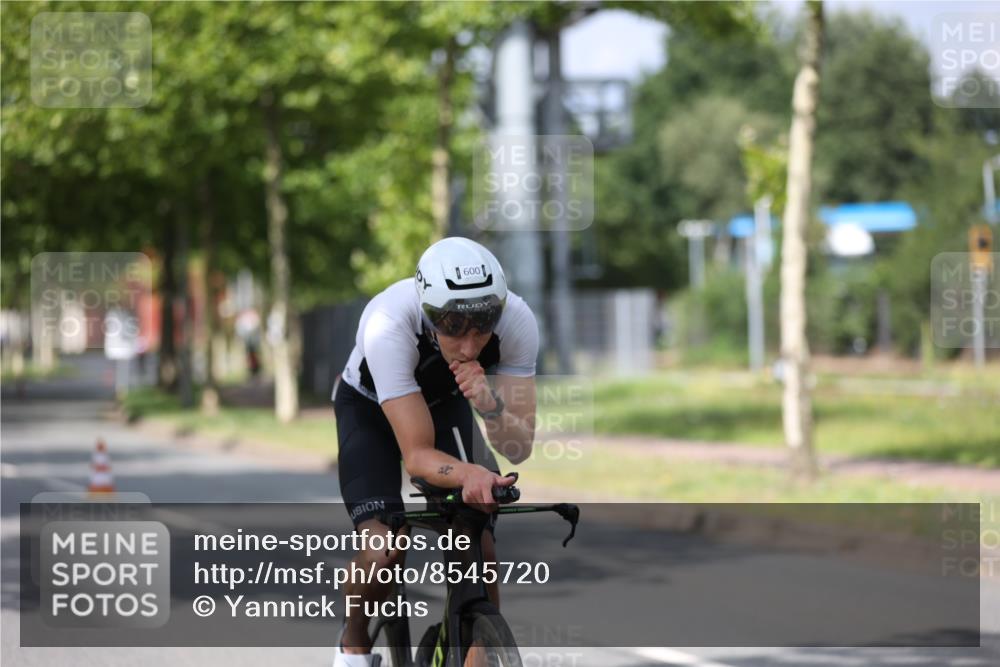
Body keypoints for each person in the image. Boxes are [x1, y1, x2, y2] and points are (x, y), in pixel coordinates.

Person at [332, 237, 539, 667]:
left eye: (482, 328)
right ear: (428, 312)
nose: (468, 347)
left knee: (477, 542)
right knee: (384, 549)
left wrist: (489, 404)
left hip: (443, 407)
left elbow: (518, 448)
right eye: (453, 329)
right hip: (369, 410)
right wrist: (468, 474)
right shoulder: (388, 322)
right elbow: (418, 456)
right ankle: (353, 646)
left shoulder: (517, 321)